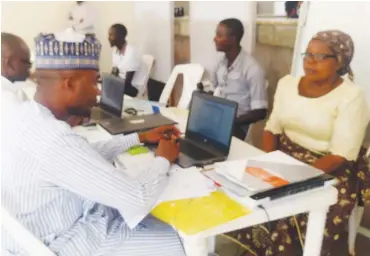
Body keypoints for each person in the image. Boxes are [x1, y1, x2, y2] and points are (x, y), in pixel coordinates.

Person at [1, 31, 186, 256]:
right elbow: (138, 199)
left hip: (42, 229)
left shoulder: (25, 115)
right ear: (69, 84)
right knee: (179, 239)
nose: (98, 92)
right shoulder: (53, 139)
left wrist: (139, 138)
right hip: (67, 242)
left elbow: (82, 154)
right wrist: (163, 158)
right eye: (94, 81)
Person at [225, 30, 370, 256]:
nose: (311, 61)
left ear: (340, 61)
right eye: (307, 54)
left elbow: (340, 155)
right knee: (243, 192)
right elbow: (272, 129)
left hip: (330, 169)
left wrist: (293, 179)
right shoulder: (287, 84)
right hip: (284, 156)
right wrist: (271, 163)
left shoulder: (351, 96)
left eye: (321, 56)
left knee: (294, 210)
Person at [212, 18, 268, 141]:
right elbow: (214, 89)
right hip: (218, 118)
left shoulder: (253, 69)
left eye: (219, 35)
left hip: (237, 125)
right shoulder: (220, 63)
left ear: (233, 39)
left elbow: (260, 111)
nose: (214, 39)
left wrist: (231, 121)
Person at [109, 23, 143, 98]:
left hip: (132, 87)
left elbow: (127, 83)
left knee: (108, 92)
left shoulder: (132, 52)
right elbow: (114, 73)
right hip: (122, 83)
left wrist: (110, 87)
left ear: (120, 37)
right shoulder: (115, 51)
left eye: (111, 35)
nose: (109, 38)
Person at [1, 32, 32, 109]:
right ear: (9, 63)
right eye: (25, 61)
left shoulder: (12, 89)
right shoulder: (8, 97)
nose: (30, 66)